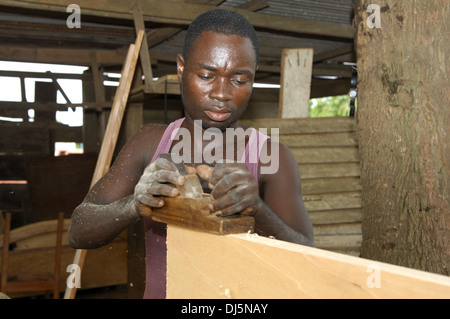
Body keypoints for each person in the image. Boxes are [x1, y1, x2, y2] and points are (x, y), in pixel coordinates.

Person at [68, 8, 314, 299]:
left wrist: (258, 209)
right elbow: (79, 230)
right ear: (182, 68)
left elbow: (307, 260)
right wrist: (135, 204)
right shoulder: (150, 143)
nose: (221, 93)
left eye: (239, 79)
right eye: (207, 75)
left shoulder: (271, 158)